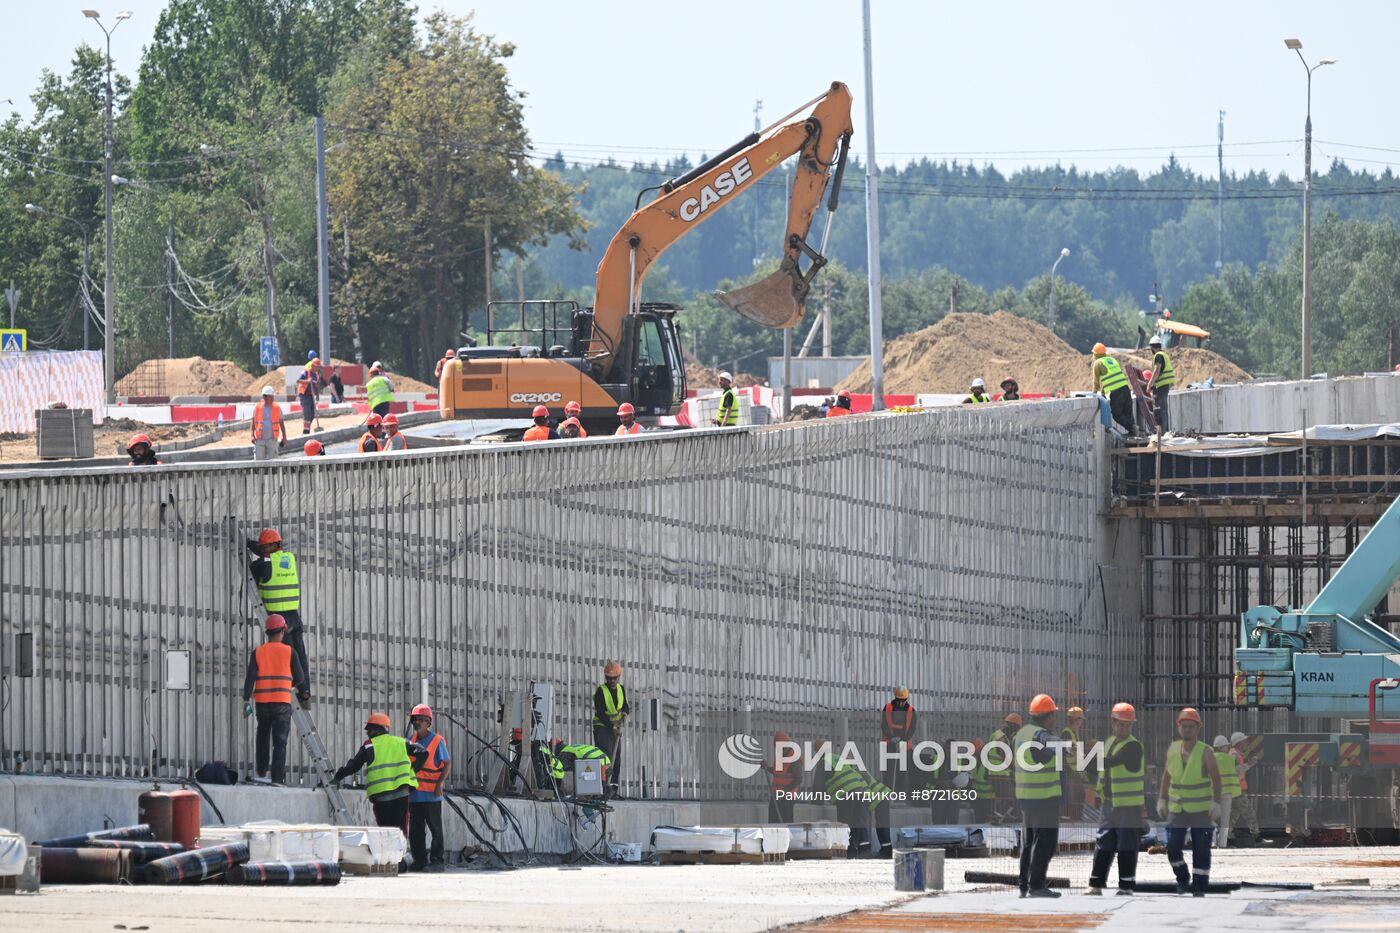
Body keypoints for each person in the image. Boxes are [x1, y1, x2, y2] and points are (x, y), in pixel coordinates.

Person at [333, 712, 428, 862]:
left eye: (370, 729)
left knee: (384, 830)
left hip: (381, 796)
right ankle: (398, 860)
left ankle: (390, 860)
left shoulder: (369, 745)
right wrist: (414, 769)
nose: (368, 733)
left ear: (379, 729)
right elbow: (422, 751)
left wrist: (338, 776)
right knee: (399, 829)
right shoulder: (401, 742)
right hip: (401, 793)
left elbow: (354, 765)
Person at [1158, 707, 1223, 896]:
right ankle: (1182, 879)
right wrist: (1162, 799)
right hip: (1177, 809)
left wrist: (1216, 802)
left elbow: (1216, 778)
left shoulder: (1206, 752)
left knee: (1201, 849)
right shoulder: (1172, 749)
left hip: (1201, 810)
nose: (1187, 730)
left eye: (1191, 727)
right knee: (1172, 848)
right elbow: (1166, 775)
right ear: (1179, 728)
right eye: (1184, 726)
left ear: (1198, 728)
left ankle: (1200, 885)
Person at [240, 614, 306, 786]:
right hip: (282, 703)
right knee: (280, 742)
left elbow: (250, 678)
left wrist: (246, 700)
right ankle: (277, 779)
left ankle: (261, 772)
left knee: (262, 736)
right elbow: (300, 677)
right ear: (283, 631)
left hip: (262, 702)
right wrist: (286, 684)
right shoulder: (290, 652)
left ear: (267, 632)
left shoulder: (258, 652)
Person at [246, 528, 312, 699]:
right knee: (300, 655)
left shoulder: (261, 565)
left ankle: (292, 688)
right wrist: (251, 544)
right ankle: (305, 690)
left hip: (280, 620)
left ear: (275, 544)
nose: (263, 550)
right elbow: (266, 553)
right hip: (294, 616)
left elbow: (255, 568)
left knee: (291, 657)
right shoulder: (288, 557)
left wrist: (247, 546)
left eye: (265, 547)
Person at [1014, 693, 1064, 898]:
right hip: (1044, 797)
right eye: (1054, 716)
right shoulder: (1039, 734)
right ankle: (1037, 885)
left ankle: (1024, 884)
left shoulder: (1021, 734)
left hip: (1026, 797)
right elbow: (1050, 741)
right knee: (1045, 842)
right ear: (1049, 716)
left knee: (1028, 842)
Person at [407, 704, 450, 872]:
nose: (418, 722)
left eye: (421, 720)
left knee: (435, 829)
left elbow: (447, 764)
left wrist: (439, 785)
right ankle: (420, 861)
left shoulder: (437, 741)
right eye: (415, 719)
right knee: (416, 831)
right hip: (415, 794)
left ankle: (437, 861)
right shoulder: (411, 741)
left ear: (428, 722)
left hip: (432, 794)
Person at [593, 661, 630, 797]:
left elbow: (625, 705)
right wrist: (612, 726)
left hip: (615, 729)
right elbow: (601, 713)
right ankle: (603, 788)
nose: (612, 681)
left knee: (616, 759)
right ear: (606, 678)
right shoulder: (601, 692)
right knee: (606, 757)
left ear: (618, 677)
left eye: (614, 678)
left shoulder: (621, 689)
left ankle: (613, 788)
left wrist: (625, 713)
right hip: (603, 728)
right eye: (609, 678)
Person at [1092, 343, 1136, 436]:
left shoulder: (1098, 363)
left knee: (1116, 414)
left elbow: (1096, 382)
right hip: (1125, 388)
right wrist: (1103, 393)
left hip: (1117, 391)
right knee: (1128, 413)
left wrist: (1093, 394)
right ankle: (1133, 431)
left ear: (1095, 354)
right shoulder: (1112, 360)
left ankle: (1132, 428)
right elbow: (1107, 378)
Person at [880, 686, 917, 796]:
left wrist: (903, 739)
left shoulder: (911, 710)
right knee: (889, 771)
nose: (901, 703)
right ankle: (888, 794)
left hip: (905, 746)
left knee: (903, 772)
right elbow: (884, 725)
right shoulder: (887, 708)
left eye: (903, 700)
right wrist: (891, 737)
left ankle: (901, 795)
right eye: (899, 700)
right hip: (890, 744)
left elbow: (912, 728)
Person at [763, 731, 801, 823]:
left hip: (786, 797)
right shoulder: (781, 756)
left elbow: (798, 779)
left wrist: (783, 792)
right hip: (776, 796)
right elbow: (777, 772)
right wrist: (767, 767)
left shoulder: (794, 758)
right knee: (773, 823)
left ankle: (786, 837)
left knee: (785, 823)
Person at [1229, 731, 1259, 841]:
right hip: (1238, 790)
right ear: (1239, 743)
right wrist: (1250, 764)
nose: (1246, 743)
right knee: (1249, 812)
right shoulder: (1234, 755)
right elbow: (1236, 770)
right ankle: (1257, 837)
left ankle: (1225, 836)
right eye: (1245, 741)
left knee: (1233, 815)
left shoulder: (1235, 754)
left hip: (1236, 789)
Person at [1212, 735, 1241, 847]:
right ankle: (1223, 844)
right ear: (1221, 747)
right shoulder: (1230, 759)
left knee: (1209, 816)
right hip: (1227, 793)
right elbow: (1238, 765)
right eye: (1226, 746)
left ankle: (1213, 840)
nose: (1228, 748)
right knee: (1225, 820)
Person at [1060, 706, 1086, 819]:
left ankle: (1075, 815)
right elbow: (1068, 751)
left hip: (1074, 770)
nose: (1081, 722)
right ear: (1076, 719)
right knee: (1075, 793)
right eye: (1080, 719)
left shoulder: (1073, 733)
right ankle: (1071, 815)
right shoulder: (1067, 733)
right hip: (1069, 769)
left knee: (1078, 793)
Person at [251, 385, 286, 461]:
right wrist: (252, 435)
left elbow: (281, 423)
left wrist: (284, 437)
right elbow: (253, 421)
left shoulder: (276, 408)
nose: (272, 398)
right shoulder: (258, 408)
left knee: (273, 463)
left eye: (272, 397)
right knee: (258, 462)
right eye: (269, 397)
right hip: (260, 439)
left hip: (272, 440)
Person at [1148, 335, 1175, 432]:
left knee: (1159, 409)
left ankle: (1162, 433)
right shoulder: (1164, 355)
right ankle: (1164, 431)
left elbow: (1157, 370)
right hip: (1165, 385)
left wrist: (1150, 384)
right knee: (1163, 408)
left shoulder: (1158, 356)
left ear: (1151, 347)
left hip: (1161, 386)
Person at [297, 352, 321, 435]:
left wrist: (317, 396)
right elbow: (298, 380)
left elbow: (317, 386)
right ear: (313, 365)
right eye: (316, 366)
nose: (317, 368)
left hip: (311, 395)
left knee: (312, 414)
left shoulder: (316, 375)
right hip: (304, 395)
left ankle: (307, 428)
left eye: (318, 367)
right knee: (307, 413)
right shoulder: (306, 372)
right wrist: (307, 381)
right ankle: (306, 431)